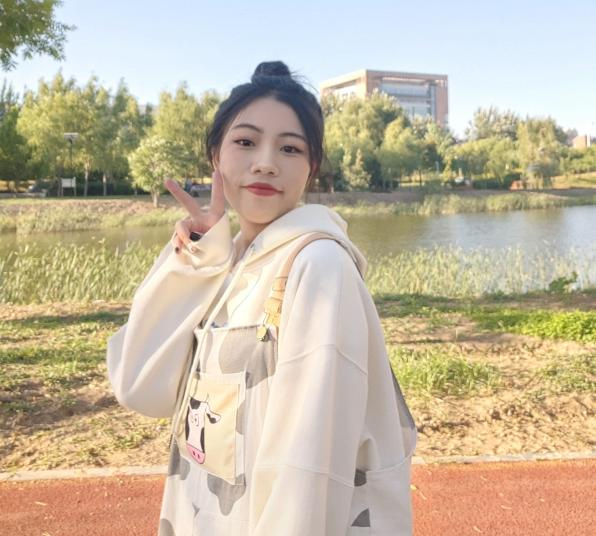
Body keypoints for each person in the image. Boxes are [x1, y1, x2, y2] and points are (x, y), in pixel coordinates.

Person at [106, 60, 417, 536]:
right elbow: (139, 387)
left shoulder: (318, 268)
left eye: (290, 148)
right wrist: (197, 260)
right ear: (216, 156)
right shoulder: (227, 266)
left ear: (311, 168)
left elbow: (308, 474)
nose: (266, 162)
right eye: (246, 142)